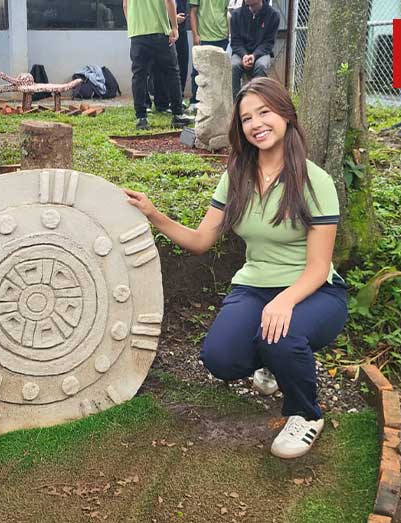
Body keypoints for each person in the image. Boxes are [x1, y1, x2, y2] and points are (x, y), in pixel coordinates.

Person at [123, 78, 347, 459]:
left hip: (315, 291)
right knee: (220, 358)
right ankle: (276, 363)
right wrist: (153, 214)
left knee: (281, 333)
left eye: (264, 112)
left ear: (286, 115)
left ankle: (306, 414)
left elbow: (317, 266)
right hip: (255, 286)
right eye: (246, 118)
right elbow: (200, 241)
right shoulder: (237, 175)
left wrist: (285, 302)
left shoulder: (316, 181)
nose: (256, 123)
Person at [123, 0, 194, 130]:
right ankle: (177, 114)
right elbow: (169, 1)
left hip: (137, 34)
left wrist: (133, 25)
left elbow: (125, 5)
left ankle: (141, 118)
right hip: (160, 31)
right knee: (172, 73)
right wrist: (174, 27)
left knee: (139, 75)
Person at [229, 0, 278, 100]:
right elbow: (235, 41)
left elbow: (268, 43)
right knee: (234, 66)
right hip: (240, 53)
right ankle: (236, 104)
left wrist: (254, 55)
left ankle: (258, 100)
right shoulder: (236, 15)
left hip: (261, 53)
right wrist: (244, 55)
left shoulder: (273, 15)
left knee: (261, 66)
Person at [188, 0, 230, 106]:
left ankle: (218, 102)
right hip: (203, 36)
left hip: (222, 35)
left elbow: (227, 11)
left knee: (221, 72)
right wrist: (195, 35)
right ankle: (195, 102)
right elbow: (192, 12)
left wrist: (228, 33)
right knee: (198, 70)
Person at [153, 0, 191, 113]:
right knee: (162, 67)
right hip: (165, 29)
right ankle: (162, 103)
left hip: (181, 29)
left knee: (182, 64)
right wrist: (173, 18)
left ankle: (178, 98)